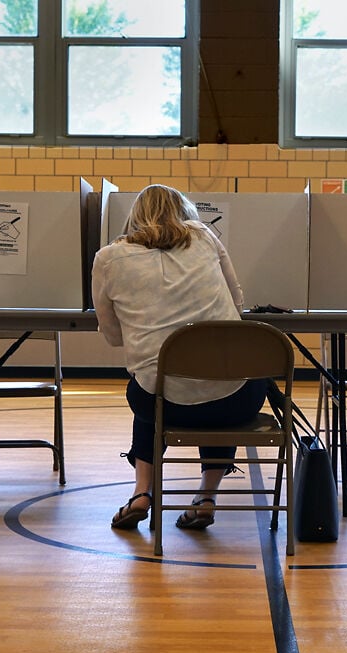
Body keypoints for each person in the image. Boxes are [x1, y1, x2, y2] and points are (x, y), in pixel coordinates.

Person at [91, 184, 268, 531]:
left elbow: (113, 336)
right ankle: (206, 497)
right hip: (235, 401)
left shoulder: (108, 258)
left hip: (161, 402)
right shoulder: (203, 236)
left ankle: (142, 493)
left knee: (149, 386)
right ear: (185, 214)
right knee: (226, 378)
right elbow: (237, 304)